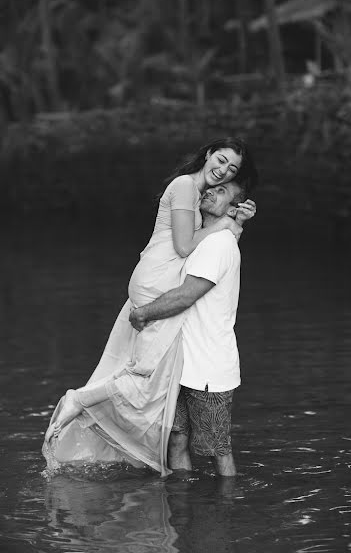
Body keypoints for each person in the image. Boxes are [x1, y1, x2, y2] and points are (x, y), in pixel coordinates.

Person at [42, 137, 257, 475]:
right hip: (156, 284)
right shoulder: (187, 187)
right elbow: (187, 247)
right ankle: (79, 401)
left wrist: (234, 222)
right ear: (208, 154)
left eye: (232, 169)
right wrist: (228, 222)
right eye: (220, 160)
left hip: (161, 289)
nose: (222, 171)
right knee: (142, 375)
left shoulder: (202, 204)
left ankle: (93, 413)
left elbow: (217, 249)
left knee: (144, 377)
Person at [129, 181, 245, 476]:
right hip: (180, 362)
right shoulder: (201, 240)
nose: (210, 192)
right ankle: (181, 507)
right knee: (176, 440)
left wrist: (144, 312)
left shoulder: (219, 245)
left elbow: (186, 295)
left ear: (232, 209)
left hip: (209, 366)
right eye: (212, 188)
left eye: (221, 193)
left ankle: (225, 511)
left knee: (219, 450)